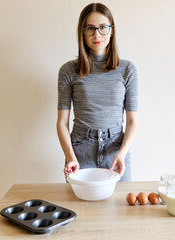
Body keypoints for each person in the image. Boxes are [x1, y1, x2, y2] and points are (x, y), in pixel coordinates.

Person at [56, 3, 138, 181]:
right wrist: (70, 157)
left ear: (112, 30)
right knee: (80, 208)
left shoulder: (127, 69)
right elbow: (62, 122)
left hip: (116, 151)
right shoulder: (68, 71)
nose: (97, 35)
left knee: (120, 207)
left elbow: (132, 122)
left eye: (102, 28)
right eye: (90, 29)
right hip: (79, 152)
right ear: (82, 32)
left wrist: (122, 154)